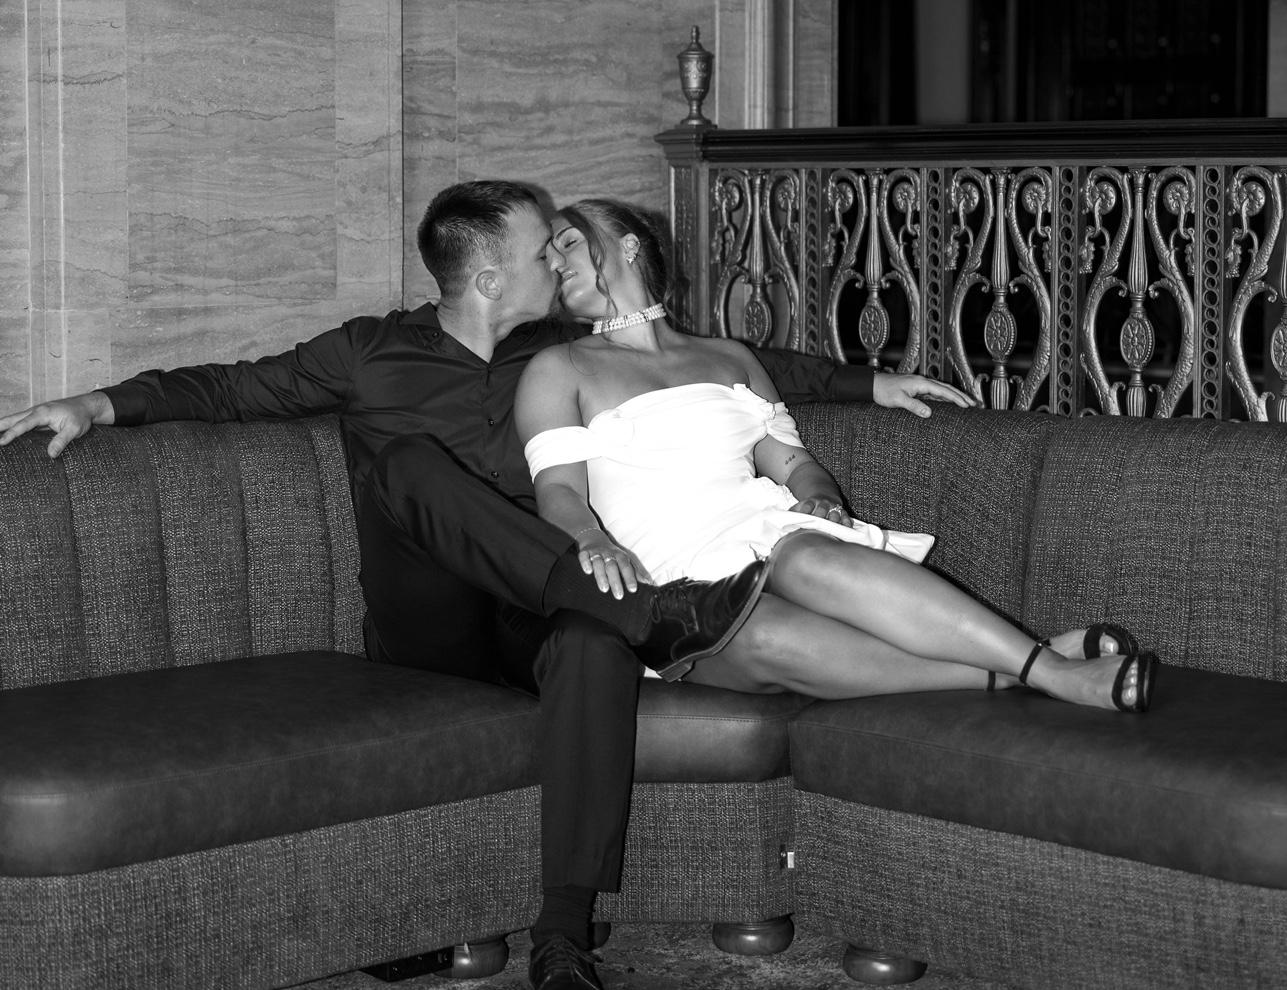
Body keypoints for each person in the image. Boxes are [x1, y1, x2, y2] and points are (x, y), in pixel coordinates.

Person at [0, 179, 970, 990]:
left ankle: (563, 932)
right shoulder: (369, 352)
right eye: (541, 247)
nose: (557, 259)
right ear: (490, 272)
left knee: (591, 641)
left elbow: (701, 370)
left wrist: (866, 383)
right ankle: (643, 612)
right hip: (430, 627)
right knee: (409, 465)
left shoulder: (545, 355)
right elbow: (229, 388)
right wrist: (98, 402)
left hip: (539, 611)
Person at [516, 197, 1158, 723]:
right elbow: (559, 494)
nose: (555, 262)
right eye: (548, 256)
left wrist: (821, 497)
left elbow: (793, 464)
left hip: (763, 534)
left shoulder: (729, 358)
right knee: (763, 640)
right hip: (665, 579)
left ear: (628, 244)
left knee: (806, 555)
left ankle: (1052, 674)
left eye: (567, 242)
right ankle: (1039, 664)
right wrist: (591, 540)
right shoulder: (558, 368)